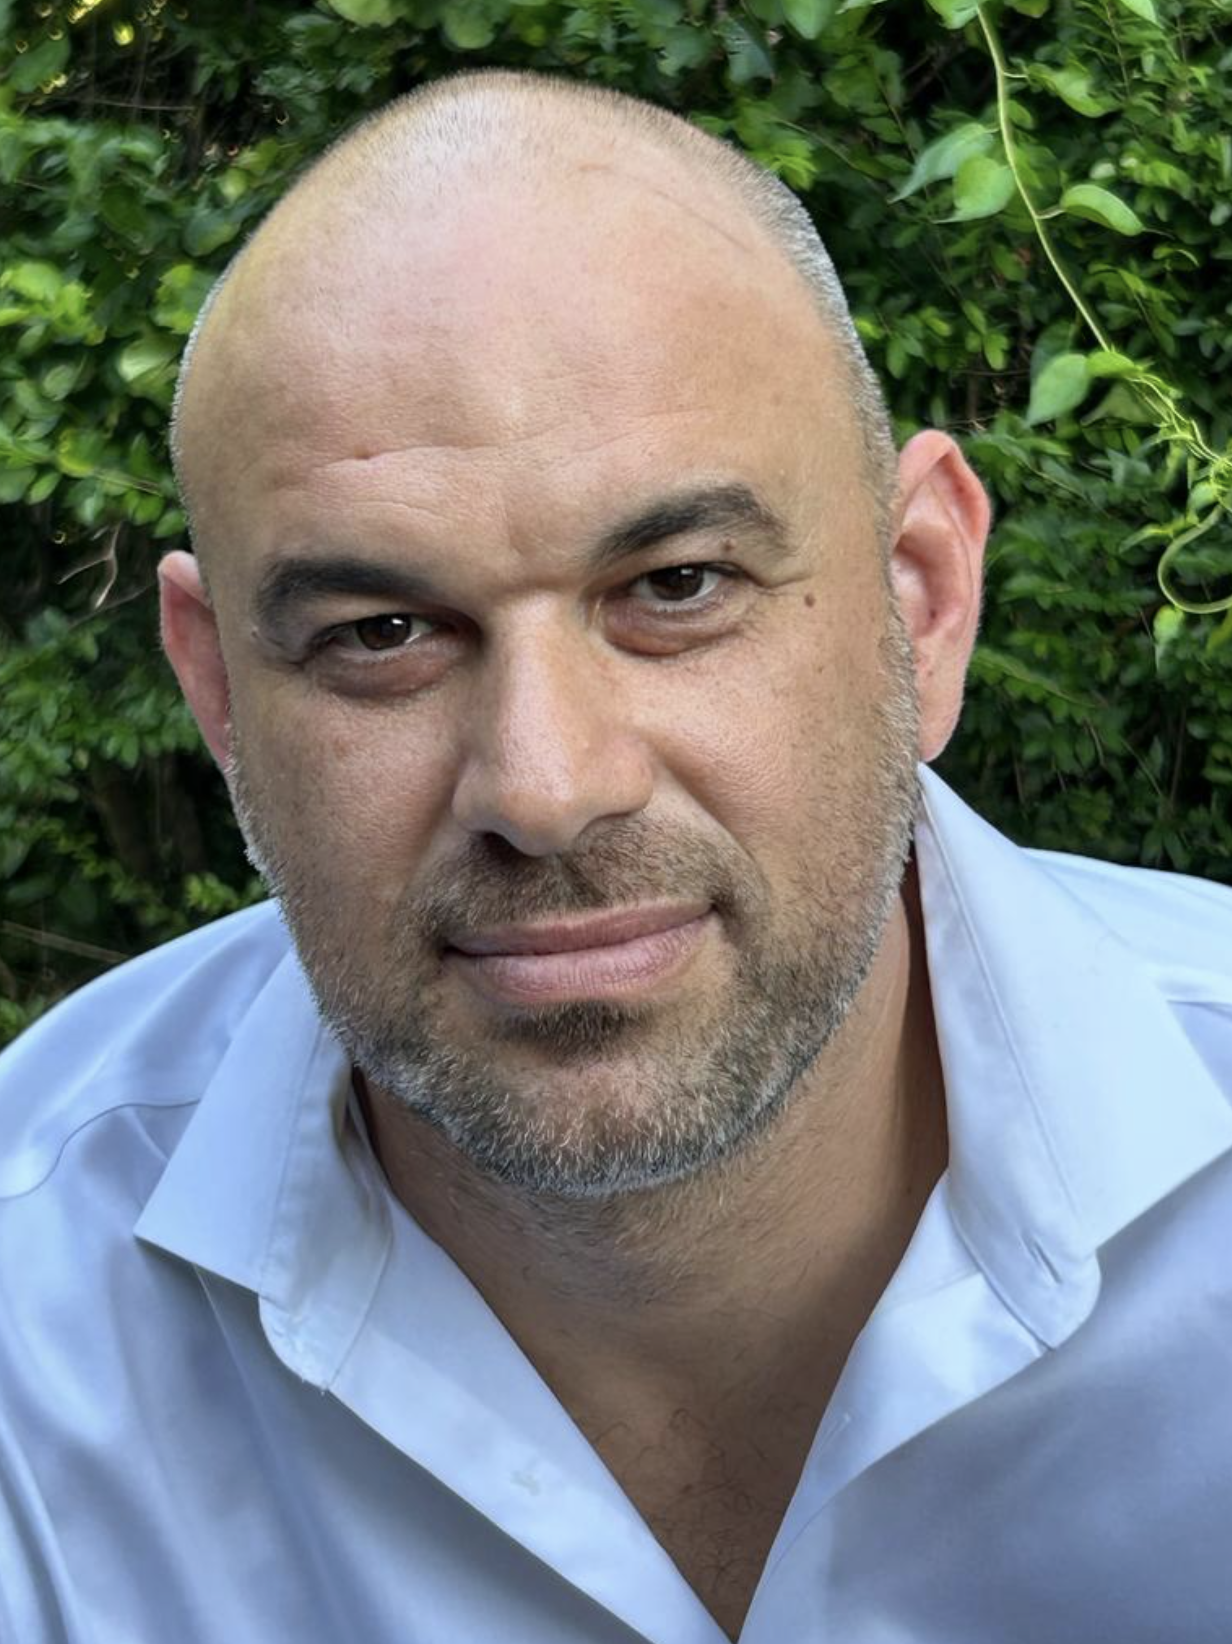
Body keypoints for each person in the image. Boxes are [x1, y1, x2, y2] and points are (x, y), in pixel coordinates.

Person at [2, 68, 1230, 1644]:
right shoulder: (33, 1329)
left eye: (677, 587)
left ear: (920, 600)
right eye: (381, 632)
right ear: (221, 692)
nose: (546, 786)